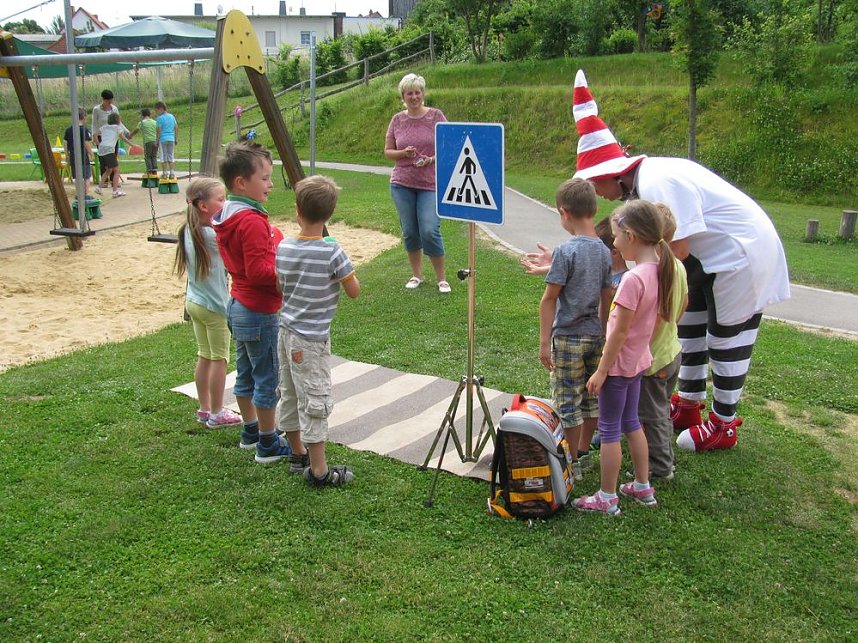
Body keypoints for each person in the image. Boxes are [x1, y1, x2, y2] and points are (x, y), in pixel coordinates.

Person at [570, 68, 790, 452]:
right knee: (689, 324)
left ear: (610, 174)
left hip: (739, 256)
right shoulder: (643, 186)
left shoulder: (657, 182)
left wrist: (637, 286)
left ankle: (724, 422)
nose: (597, 194)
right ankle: (688, 403)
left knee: (727, 337)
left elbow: (679, 248)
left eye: (594, 184)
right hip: (706, 263)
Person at [576, 200, 677, 515]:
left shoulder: (633, 280)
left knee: (608, 430)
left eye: (617, 237)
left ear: (632, 236)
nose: (614, 243)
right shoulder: (659, 270)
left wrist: (601, 371)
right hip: (638, 362)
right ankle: (642, 485)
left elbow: (617, 332)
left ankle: (607, 496)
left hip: (619, 367)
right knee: (632, 422)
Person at [275, 175, 361, 484]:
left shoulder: (284, 246)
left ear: (297, 211)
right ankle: (319, 470)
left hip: (285, 333)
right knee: (314, 398)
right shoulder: (332, 252)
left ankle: (297, 452)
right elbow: (354, 290)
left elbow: (280, 285)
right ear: (330, 214)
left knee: (289, 392)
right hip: (311, 341)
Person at [212, 141, 287, 461]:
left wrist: (274, 238)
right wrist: (286, 270)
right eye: (265, 178)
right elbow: (259, 271)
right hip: (258, 310)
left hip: (238, 306)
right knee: (267, 378)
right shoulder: (252, 221)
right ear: (241, 182)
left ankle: (251, 430)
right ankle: (269, 443)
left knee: (245, 374)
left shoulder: (228, 213)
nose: (271, 184)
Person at [538, 178, 613, 481]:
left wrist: (545, 342)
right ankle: (581, 452)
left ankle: (568, 460)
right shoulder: (605, 251)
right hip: (596, 335)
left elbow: (549, 298)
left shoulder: (565, 252)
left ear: (565, 213)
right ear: (593, 210)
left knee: (568, 399)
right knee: (591, 397)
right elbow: (607, 295)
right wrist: (605, 330)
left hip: (568, 337)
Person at [174, 176, 243, 430]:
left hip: (195, 302)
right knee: (219, 359)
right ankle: (216, 412)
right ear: (204, 206)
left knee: (204, 355)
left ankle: (205, 408)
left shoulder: (189, 230)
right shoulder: (213, 236)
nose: (225, 204)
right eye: (222, 199)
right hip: (214, 307)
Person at [634, 202, 688, 480]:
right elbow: (682, 303)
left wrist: (641, 349)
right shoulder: (677, 265)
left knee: (652, 414)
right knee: (661, 410)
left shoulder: (655, 269)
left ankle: (661, 466)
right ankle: (663, 454)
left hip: (655, 359)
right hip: (673, 350)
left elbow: (655, 316)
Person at [384, 73, 450, 293]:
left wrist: (431, 159)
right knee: (410, 231)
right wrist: (403, 153)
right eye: (409, 93)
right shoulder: (397, 120)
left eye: (417, 92)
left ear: (423, 93)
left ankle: (442, 278)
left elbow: (450, 145)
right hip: (402, 183)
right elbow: (388, 152)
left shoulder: (436, 116)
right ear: (403, 96)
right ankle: (416, 275)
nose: (414, 96)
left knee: (430, 229)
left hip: (430, 183)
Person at [95, 112, 132, 198]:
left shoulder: (104, 127)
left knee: (108, 170)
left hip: (101, 150)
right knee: (116, 171)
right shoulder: (117, 128)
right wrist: (132, 145)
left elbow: (95, 134)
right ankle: (115, 191)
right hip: (109, 150)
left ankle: (99, 188)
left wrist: (98, 143)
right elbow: (123, 138)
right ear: (117, 120)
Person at [63, 107, 94, 195]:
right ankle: (86, 193)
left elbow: (65, 143)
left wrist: (67, 155)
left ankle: (79, 193)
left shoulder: (69, 130)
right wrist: (91, 153)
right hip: (83, 156)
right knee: (86, 176)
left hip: (73, 156)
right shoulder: (84, 129)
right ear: (84, 117)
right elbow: (86, 142)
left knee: (77, 177)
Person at [91, 89, 118, 181]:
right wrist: (94, 137)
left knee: (113, 157)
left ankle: (113, 178)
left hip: (113, 137)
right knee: (103, 159)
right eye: (108, 100)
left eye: (111, 100)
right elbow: (94, 123)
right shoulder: (97, 109)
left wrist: (126, 133)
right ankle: (104, 179)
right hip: (101, 136)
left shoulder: (114, 109)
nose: (110, 102)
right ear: (103, 99)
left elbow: (119, 122)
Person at [129, 108, 158, 175]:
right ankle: (155, 170)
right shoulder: (154, 122)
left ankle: (149, 170)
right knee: (154, 156)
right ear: (149, 114)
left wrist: (130, 135)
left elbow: (136, 130)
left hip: (147, 141)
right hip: (155, 141)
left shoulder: (142, 122)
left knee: (147, 156)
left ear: (142, 115)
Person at [155, 101, 178, 179]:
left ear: (161, 109)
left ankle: (164, 173)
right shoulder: (172, 116)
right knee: (170, 156)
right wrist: (176, 138)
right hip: (171, 138)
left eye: (157, 110)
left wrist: (157, 141)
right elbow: (176, 127)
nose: (156, 112)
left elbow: (159, 131)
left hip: (163, 139)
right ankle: (172, 173)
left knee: (163, 156)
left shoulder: (159, 118)